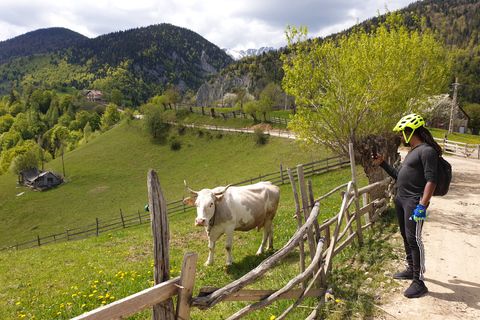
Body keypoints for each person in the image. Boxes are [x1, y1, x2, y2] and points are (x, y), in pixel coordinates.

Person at [373, 113, 443, 298]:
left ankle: (419, 282)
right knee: (406, 236)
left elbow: (431, 180)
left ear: (411, 131)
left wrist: (422, 205)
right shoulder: (413, 151)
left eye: (403, 133)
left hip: (414, 202)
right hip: (402, 200)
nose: (401, 137)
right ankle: (411, 269)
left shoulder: (426, 151)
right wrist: (382, 164)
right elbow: (398, 175)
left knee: (415, 239)